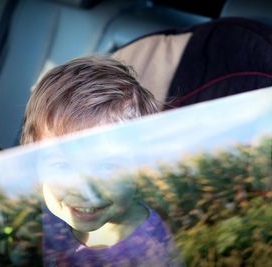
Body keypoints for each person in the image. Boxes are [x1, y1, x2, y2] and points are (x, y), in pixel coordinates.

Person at [20, 55, 182, 266]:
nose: (83, 189)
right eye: (62, 166)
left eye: (106, 167)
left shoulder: (148, 252)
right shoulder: (46, 208)